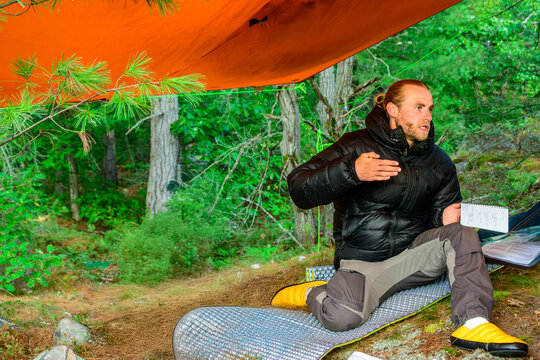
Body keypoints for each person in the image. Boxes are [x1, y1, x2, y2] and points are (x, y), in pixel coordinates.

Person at [271, 79, 528, 357]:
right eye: (418, 107)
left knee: (462, 232)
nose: (427, 116)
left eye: (429, 108)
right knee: (342, 318)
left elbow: (439, 224)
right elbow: (299, 188)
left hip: (411, 257)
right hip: (363, 261)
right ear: (392, 110)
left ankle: (473, 322)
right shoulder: (356, 145)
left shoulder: (439, 162)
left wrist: (444, 219)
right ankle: (313, 292)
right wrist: (352, 171)